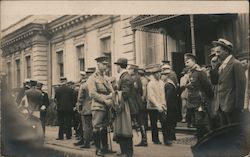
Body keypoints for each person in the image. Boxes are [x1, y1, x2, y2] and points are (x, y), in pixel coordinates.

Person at [212, 38, 246, 126]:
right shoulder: (221, 65)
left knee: (234, 131)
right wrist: (214, 67)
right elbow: (215, 83)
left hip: (231, 106)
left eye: (218, 52)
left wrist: (238, 106)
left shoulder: (236, 64)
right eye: (216, 52)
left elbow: (241, 86)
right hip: (222, 105)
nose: (216, 55)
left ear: (226, 51)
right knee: (225, 131)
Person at [87, 55, 114, 156]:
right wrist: (105, 99)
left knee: (105, 127)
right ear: (98, 64)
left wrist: (110, 97)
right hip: (98, 106)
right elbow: (92, 93)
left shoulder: (106, 78)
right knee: (97, 127)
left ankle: (105, 148)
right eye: (103, 64)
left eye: (106, 64)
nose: (105, 66)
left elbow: (112, 91)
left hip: (107, 106)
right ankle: (98, 149)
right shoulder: (92, 78)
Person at [184, 53, 214, 140]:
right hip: (192, 102)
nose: (186, 64)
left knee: (201, 123)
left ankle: (206, 141)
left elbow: (208, 87)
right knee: (197, 124)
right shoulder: (191, 73)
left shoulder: (199, 72)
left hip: (199, 102)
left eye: (187, 62)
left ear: (193, 61)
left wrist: (208, 99)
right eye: (185, 62)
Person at [113, 58, 134, 157]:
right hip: (123, 105)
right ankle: (124, 151)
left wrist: (115, 92)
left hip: (124, 106)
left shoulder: (125, 77)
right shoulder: (124, 76)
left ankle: (128, 152)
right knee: (122, 128)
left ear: (120, 66)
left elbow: (125, 94)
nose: (116, 67)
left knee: (125, 128)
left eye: (117, 65)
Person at [146, 64, 166, 145]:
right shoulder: (150, 84)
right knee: (154, 124)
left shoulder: (162, 82)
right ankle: (155, 139)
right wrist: (157, 105)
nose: (159, 74)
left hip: (161, 105)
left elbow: (163, 95)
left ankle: (166, 138)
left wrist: (164, 104)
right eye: (157, 73)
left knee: (164, 122)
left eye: (159, 73)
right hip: (152, 107)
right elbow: (151, 97)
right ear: (154, 74)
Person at [128, 64, 147, 147]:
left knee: (134, 121)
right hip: (139, 102)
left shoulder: (133, 79)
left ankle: (141, 140)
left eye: (130, 69)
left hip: (134, 102)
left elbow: (133, 91)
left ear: (133, 70)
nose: (128, 70)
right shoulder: (139, 78)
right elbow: (141, 91)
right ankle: (144, 139)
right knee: (140, 121)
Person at [76, 69, 95, 148]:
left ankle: (87, 143)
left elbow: (80, 98)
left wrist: (79, 107)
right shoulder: (95, 83)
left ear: (86, 75)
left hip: (86, 108)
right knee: (94, 125)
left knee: (86, 126)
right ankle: (94, 141)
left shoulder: (84, 85)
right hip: (95, 108)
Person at [161, 66, 180, 145]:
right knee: (171, 122)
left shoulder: (168, 85)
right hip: (173, 106)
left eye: (163, 75)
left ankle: (169, 138)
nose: (161, 77)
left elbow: (167, 98)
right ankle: (172, 136)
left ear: (166, 76)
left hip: (170, 106)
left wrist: (165, 106)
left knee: (168, 122)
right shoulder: (171, 84)